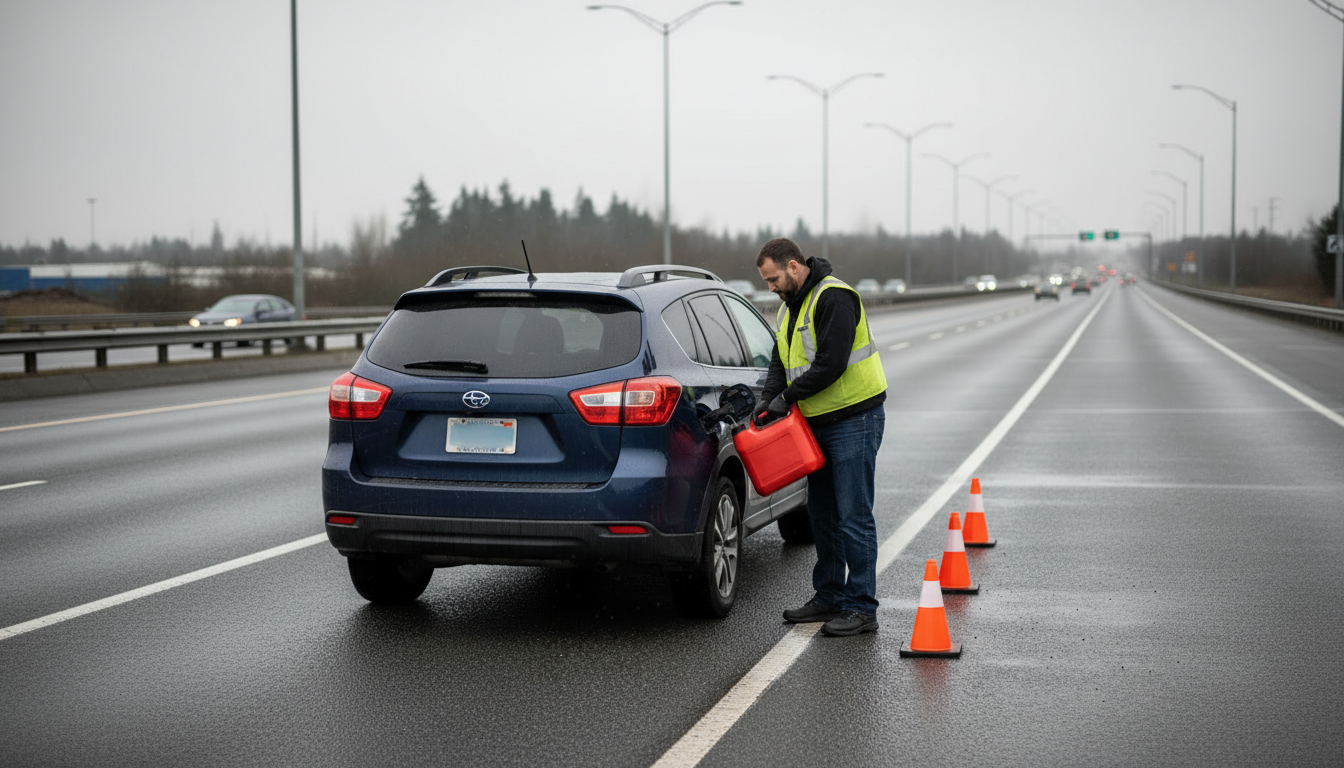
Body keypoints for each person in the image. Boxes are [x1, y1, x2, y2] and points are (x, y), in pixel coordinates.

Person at [754, 238, 887, 637]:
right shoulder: (787, 309)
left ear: (794, 266)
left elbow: (831, 364)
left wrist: (787, 399)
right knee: (823, 515)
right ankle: (828, 595)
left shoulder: (835, 298)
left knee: (853, 516)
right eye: (766, 282)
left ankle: (862, 607)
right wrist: (768, 401)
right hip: (814, 425)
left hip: (854, 419)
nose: (771, 287)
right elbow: (781, 360)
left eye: (774, 278)